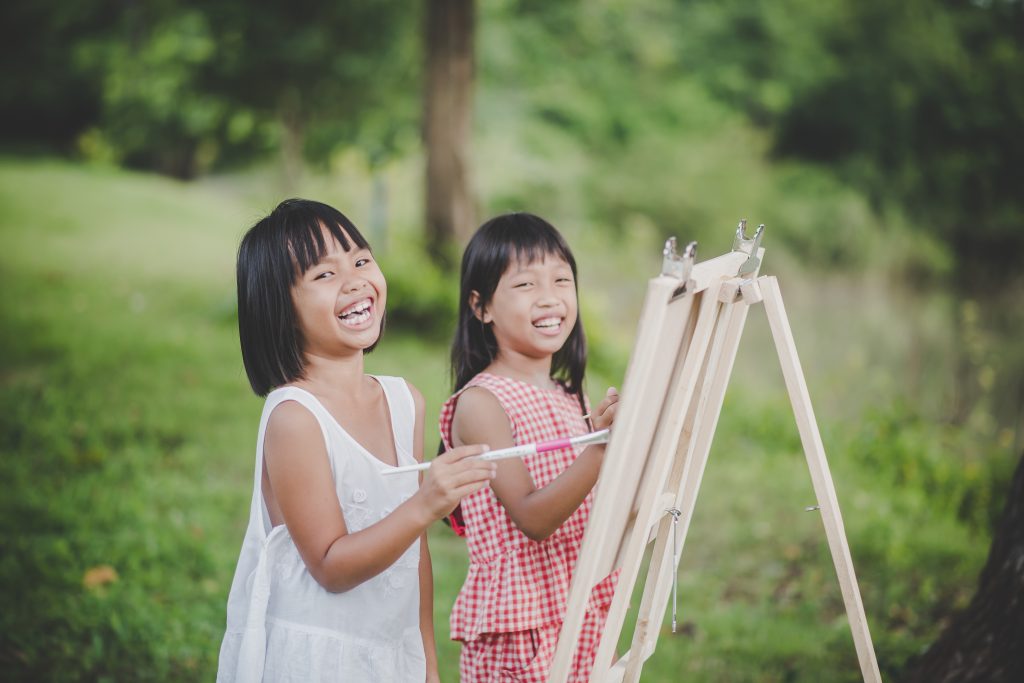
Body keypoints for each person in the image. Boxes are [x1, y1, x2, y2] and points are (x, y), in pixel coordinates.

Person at [217, 198, 495, 683]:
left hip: (389, 654)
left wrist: (424, 657)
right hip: (317, 661)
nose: (355, 281)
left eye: (362, 260)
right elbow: (330, 566)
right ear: (279, 307)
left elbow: (414, 553)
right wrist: (426, 503)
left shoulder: (403, 401)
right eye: (324, 275)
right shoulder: (295, 418)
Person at [440, 212, 621, 682]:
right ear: (482, 308)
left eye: (562, 279)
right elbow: (532, 518)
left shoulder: (568, 396)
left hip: (576, 609)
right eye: (525, 285)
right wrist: (602, 448)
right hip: (520, 630)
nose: (550, 298)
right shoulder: (482, 402)